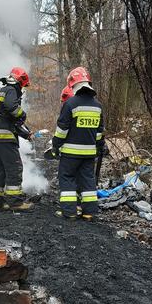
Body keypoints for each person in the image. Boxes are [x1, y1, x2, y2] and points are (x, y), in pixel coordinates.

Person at [51, 67, 104, 221]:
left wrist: (55, 145)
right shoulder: (98, 106)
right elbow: (100, 132)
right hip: (89, 154)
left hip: (70, 154)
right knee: (88, 181)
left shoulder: (70, 104)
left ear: (73, 85)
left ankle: (70, 212)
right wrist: (99, 148)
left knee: (67, 178)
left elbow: (62, 130)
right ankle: (89, 213)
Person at [0, 67, 35, 212]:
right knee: (14, 168)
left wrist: (26, 134)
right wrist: (22, 114)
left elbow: (9, 121)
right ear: (20, 82)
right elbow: (12, 108)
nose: (23, 89)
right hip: (4, 138)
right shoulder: (11, 90)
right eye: (23, 85)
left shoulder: (1, 90)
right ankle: (15, 202)